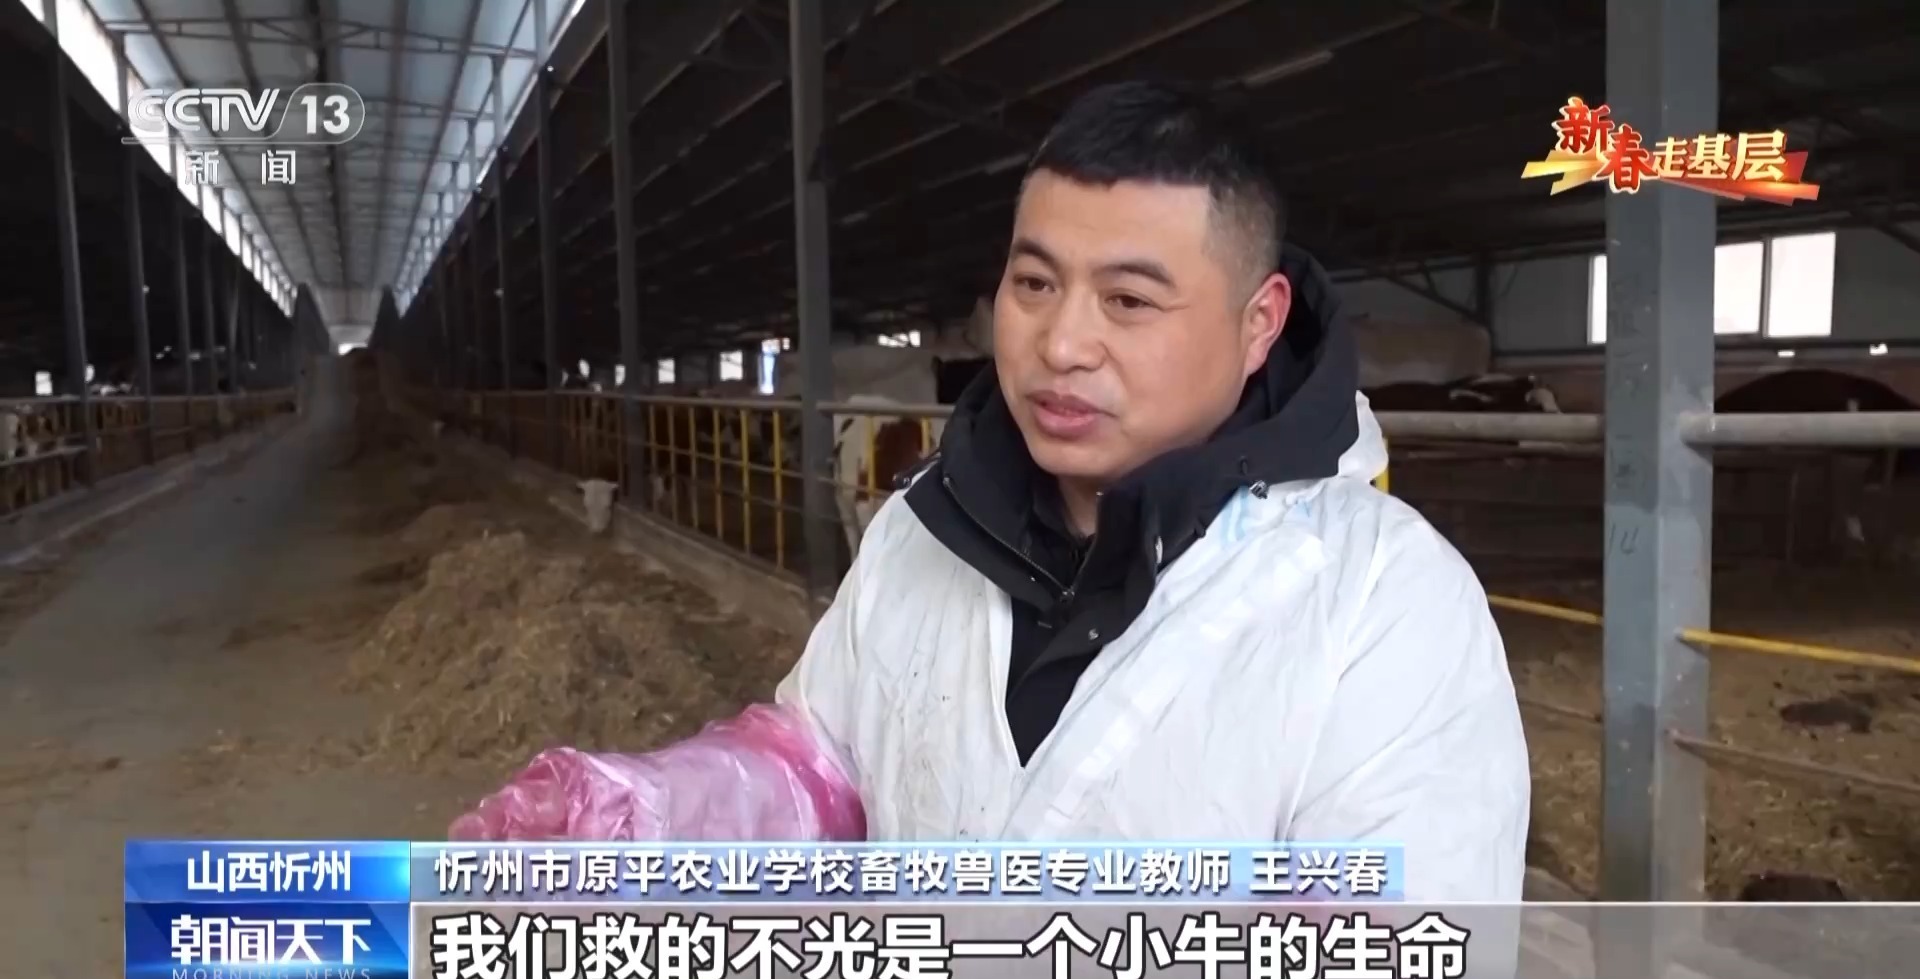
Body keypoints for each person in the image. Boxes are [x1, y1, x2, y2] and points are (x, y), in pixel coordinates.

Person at [451, 80, 1530, 903]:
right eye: (1035, 282)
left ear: (1259, 324)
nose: (1062, 342)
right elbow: (824, 775)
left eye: (1129, 300)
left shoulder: (1384, 605)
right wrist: (649, 820)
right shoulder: (919, 530)